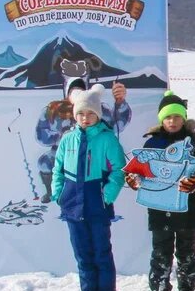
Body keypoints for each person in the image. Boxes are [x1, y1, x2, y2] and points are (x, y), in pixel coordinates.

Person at [125, 91, 195, 291]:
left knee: (187, 252)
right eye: (167, 117)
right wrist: (134, 179)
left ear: (183, 118)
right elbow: (138, 172)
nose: (172, 121)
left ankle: (187, 290)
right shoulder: (152, 143)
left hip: (187, 209)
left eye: (176, 117)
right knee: (161, 253)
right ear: (161, 120)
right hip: (159, 210)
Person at [51, 85, 126, 291]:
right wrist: (59, 193)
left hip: (96, 201)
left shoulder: (107, 140)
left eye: (90, 113)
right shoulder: (68, 140)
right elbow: (58, 169)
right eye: (81, 114)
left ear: (98, 115)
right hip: (73, 202)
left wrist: (107, 195)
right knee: (82, 251)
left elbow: (119, 170)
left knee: (101, 250)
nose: (85, 118)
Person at [37, 75, 130, 203]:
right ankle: (52, 193)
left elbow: (117, 125)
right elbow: (41, 135)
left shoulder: (98, 109)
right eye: (74, 91)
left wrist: (120, 103)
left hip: (94, 157)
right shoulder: (53, 110)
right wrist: (60, 137)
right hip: (64, 152)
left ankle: (101, 200)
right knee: (45, 162)